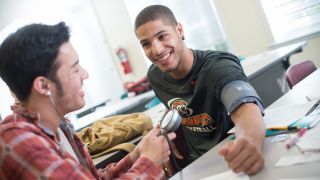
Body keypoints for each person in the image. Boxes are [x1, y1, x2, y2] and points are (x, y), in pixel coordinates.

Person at [0, 22, 176, 179]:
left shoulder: (60, 128)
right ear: (44, 86)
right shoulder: (20, 142)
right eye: (75, 69)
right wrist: (150, 162)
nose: (85, 74)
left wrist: (136, 155)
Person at [134, 5, 266, 175]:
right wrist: (164, 130)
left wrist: (250, 141)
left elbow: (244, 105)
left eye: (162, 36)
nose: (157, 50)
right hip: (195, 166)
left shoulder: (217, 67)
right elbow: (175, 102)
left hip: (232, 157)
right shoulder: (155, 76)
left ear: (179, 30)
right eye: (146, 44)